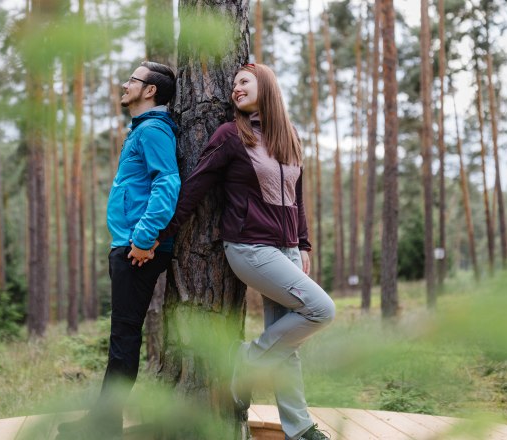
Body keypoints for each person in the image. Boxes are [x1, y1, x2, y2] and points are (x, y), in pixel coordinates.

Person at [155, 63, 336, 440]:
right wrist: (163, 233)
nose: (235, 89)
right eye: (234, 84)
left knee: (286, 344)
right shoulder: (230, 135)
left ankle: (299, 428)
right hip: (250, 248)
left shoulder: (288, 138)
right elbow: (195, 186)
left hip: (286, 252)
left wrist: (303, 244)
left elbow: (296, 201)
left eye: (244, 82)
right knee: (321, 310)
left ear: (265, 86)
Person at [56, 61, 179, 439]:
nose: (124, 86)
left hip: (136, 248)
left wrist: (143, 239)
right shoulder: (142, 130)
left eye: (132, 80)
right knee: (122, 336)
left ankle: (105, 424)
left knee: (124, 338)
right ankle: (105, 419)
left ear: (150, 90)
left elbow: (168, 183)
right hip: (131, 244)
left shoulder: (153, 129)